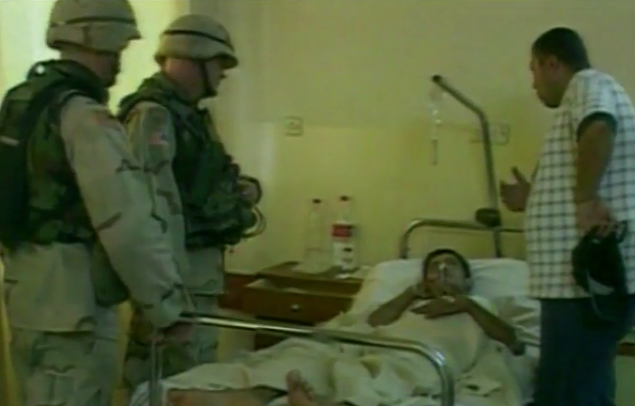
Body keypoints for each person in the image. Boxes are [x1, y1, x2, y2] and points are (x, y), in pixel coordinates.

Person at [0, 1, 191, 406]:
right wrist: (167, 309)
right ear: (100, 39)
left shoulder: (22, 103)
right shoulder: (82, 115)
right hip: (74, 312)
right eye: (117, 50)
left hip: (28, 297)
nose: (119, 62)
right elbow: (128, 225)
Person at [133, 249, 538, 406]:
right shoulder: (410, 301)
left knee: (385, 379)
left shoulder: (484, 307)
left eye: (452, 267)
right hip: (383, 348)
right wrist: (411, 293)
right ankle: (240, 396)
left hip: (425, 362)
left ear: (469, 280)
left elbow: (513, 343)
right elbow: (371, 323)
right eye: (435, 267)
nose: (443, 271)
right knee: (310, 364)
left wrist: (466, 304)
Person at [117, 14, 263, 390]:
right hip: (176, 283)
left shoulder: (191, 117)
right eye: (219, 63)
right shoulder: (153, 115)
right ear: (194, 57)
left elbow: (201, 180)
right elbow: (149, 211)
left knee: (194, 382)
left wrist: (241, 191)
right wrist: (166, 296)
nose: (224, 73)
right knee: (170, 386)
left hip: (195, 279)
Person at [500, 27, 635, 406]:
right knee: (581, 386)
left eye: (533, 70)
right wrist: (534, 199)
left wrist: (585, 199)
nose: (533, 83)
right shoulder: (585, 96)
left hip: (579, 284)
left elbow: (599, 127)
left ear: (551, 63)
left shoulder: (588, 84)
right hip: (575, 285)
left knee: (568, 391)